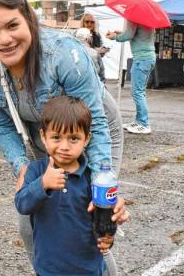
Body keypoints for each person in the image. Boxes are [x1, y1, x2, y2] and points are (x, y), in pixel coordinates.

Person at [0, 0, 127, 274]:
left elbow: (97, 121)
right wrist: (21, 168)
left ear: (28, 19)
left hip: (90, 128)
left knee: (88, 218)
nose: (4, 39)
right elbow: (0, 123)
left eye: (12, 25)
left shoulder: (64, 54)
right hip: (43, 133)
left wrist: (103, 185)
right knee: (31, 221)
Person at [15, 95, 113, 276]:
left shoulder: (93, 178)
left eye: (74, 138)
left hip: (87, 269)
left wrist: (108, 237)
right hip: (48, 268)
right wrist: (43, 184)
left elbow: (103, 219)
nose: (65, 146)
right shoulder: (36, 171)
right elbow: (22, 204)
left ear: (87, 139)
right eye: (56, 137)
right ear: (43, 137)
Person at [107, 21, 156, 134]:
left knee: (137, 93)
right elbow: (135, 34)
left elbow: (128, 35)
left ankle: (144, 124)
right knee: (140, 92)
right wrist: (120, 33)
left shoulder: (134, 18)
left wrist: (114, 37)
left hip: (141, 59)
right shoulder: (146, 19)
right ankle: (139, 121)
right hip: (148, 57)